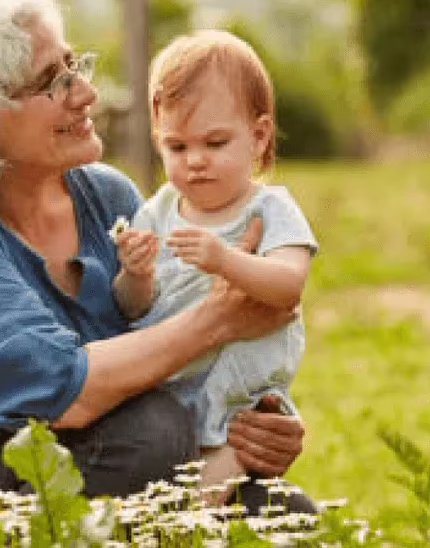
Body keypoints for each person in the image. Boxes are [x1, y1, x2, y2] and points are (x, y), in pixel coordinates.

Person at [0, 0, 311, 511]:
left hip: (142, 458)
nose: (86, 94)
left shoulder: (109, 196)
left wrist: (257, 424)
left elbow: (165, 324)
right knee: (152, 432)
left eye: (74, 67)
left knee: (288, 514)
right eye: (52, 82)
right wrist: (221, 318)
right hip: (14, 473)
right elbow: (68, 392)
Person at [114, 29, 316, 502]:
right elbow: (131, 307)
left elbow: (289, 286)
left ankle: (188, 523)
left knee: (213, 480)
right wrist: (135, 275)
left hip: (239, 394)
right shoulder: (157, 211)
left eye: (215, 143)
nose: (196, 161)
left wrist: (226, 260)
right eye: (177, 147)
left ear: (258, 137)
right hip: (170, 381)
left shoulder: (269, 210)